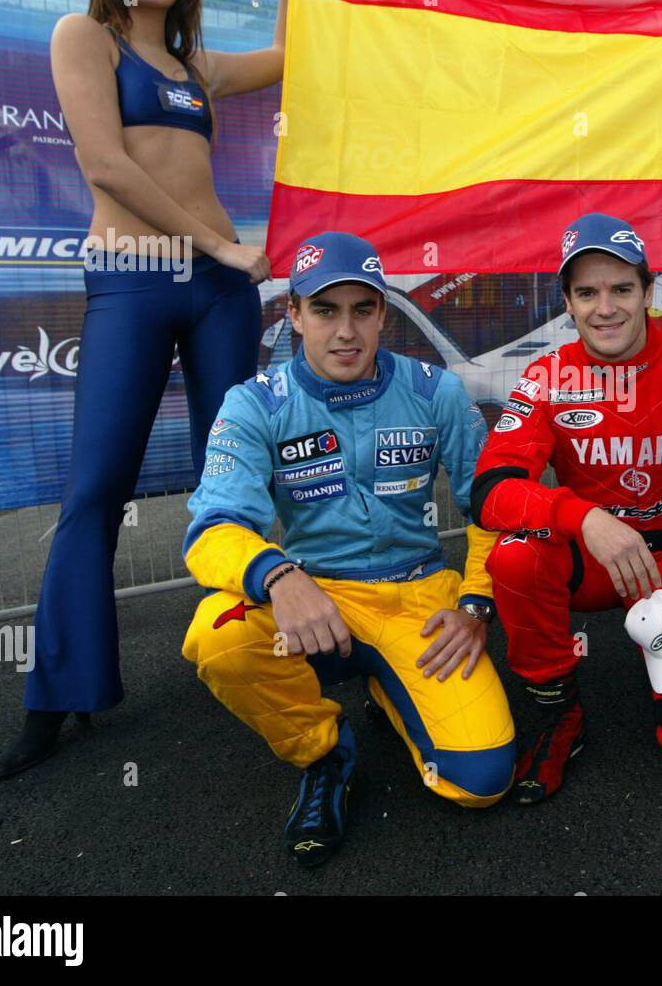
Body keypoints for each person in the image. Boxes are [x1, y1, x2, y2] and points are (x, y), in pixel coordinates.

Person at [0, 0, 299, 779]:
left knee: (231, 474)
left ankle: (246, 654)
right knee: (95, 489)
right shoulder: (83, 37)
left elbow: (289, 58)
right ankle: (60, 695)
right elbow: (104, 164)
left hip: (218, 292)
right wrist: (219, 244)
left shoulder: (192, 63)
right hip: (136, 276)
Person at [180, 232, 515, 868]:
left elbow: (493, 508)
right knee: (219, 636)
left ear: (384, 314)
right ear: (295, 315)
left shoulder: (434, 390)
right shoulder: (256, 403)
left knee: (481, 780)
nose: (346, 331)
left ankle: (392, 687)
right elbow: (213, 528)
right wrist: (280, 576)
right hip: (317, 601)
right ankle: (324, 752)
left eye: (363, 309)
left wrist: (476, 603)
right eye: (326, 311)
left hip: (419, 596)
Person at [471, 213, 662, 803]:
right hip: (595, 561)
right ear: (568, 303)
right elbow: (490, 492)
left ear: (649, 292)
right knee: (516, 558)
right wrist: (584, 517)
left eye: (622, 289)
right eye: (587, 293)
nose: (606, 307)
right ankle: (558, 712)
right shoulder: (547, 376)